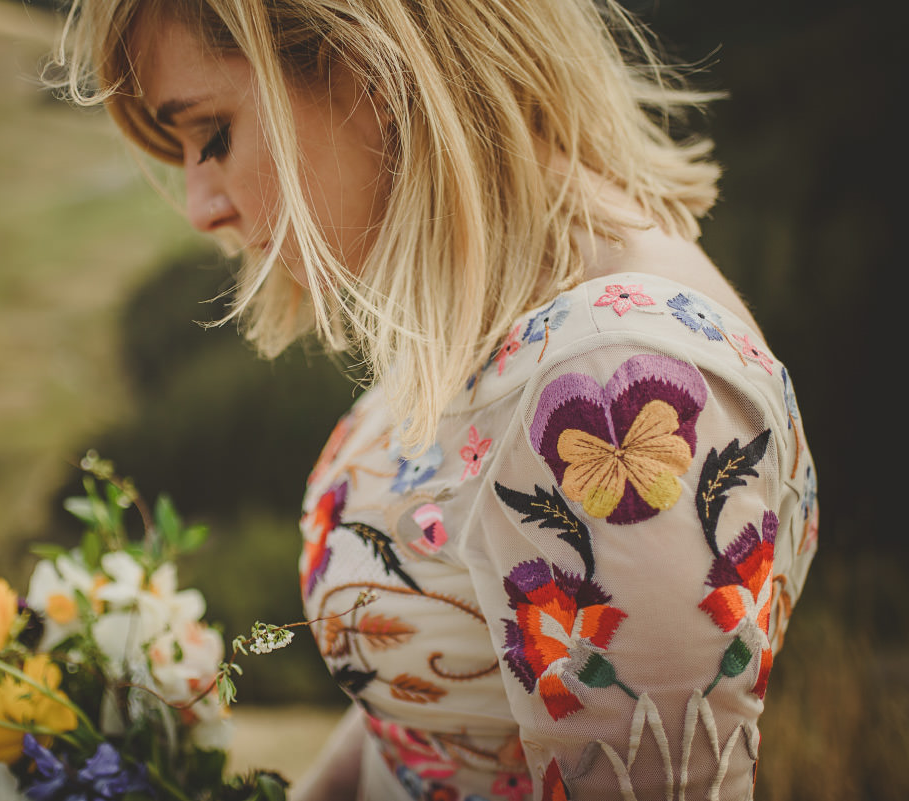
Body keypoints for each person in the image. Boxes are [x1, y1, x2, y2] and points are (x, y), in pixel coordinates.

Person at [52, 0, 818, 798]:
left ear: (371, 61)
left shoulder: (606, 382)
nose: (201, 206)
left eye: (213, 133)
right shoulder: (492, 300)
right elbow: (445, 690)